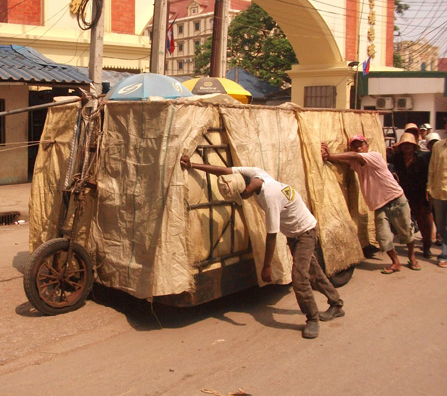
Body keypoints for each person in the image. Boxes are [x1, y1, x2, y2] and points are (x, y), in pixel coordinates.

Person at [180, 156, 344, 340]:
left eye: (242, 195)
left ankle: (312, 319)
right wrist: (193, 164)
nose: (243, 197)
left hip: (305, 232)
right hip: (294, 233)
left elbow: (271, 235)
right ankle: (336, 304)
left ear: (245, 191)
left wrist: (266, 266)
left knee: (299, 279)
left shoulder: (270, 197)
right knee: (314, 272)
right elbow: (224, 170)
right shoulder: (253, 174)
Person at [321, 135, 421, 274]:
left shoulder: (375, 156)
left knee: (406, 233)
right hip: (380, 205)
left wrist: (331, 153)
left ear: (367, 146)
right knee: (383, 237)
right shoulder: (356, 164)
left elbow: (353, 156)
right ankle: (395, 262)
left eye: (361, 145)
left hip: (396, 199)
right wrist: (329, 157)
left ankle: (411, 256)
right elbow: (346, 162)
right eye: (355, 146)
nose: (358, 148)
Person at [386, 133, 433, 258]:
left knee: (424, 222)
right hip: (404, 195)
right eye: (404, 145)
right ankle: (409, 248)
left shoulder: (423, 158)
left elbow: (431, 173)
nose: (406, 147)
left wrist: (429, 191)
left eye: (409, 144)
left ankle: (427, 247)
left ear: (414, 146)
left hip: (421, 195)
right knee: (405, 222)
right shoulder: (396, 158)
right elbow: (382, 157)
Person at [427, 124, 447, 268]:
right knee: (440, 225)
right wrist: (429, 188)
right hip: (438, 192)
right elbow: (432, 168)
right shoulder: (438, 146)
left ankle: (444, 254)